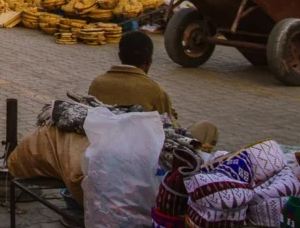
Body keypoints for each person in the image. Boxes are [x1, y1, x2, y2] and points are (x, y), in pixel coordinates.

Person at [87, 32, 218, 150]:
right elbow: (171, 132)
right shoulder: (155, 91)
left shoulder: (97, 83)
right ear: (149, 60)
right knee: (207, 128)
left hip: (102, 147)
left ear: (120, 55)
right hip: (144, 154)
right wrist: (172, 118)